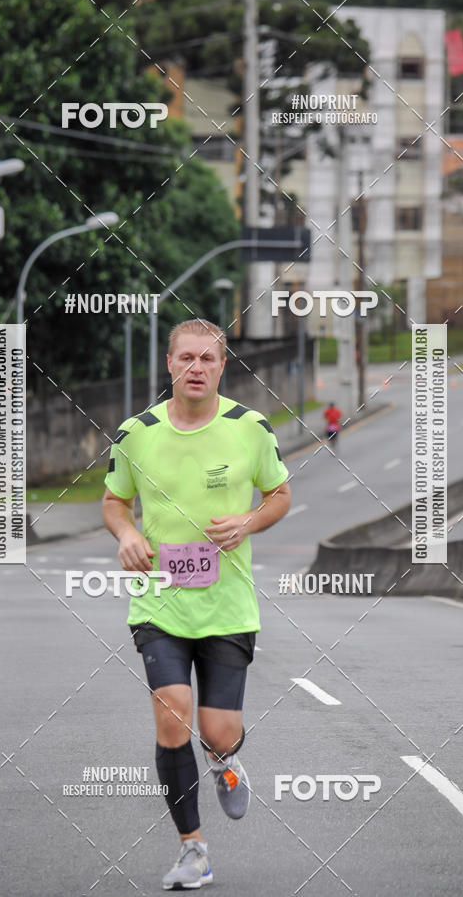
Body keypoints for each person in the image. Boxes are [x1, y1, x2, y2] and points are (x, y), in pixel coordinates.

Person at [102, 318, 291, 890]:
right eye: (186, 358)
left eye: (208, 359)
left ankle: (225, 760)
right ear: (169, 364)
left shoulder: (250, 428)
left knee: (218, 729)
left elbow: (279, 493)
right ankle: (193, 849)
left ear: (222, 366)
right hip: (159, 603)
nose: (196, 368)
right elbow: (114, 501)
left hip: (229, 606)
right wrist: (127, 534)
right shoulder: (136, 432)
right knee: (172, 714)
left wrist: (249, 521)